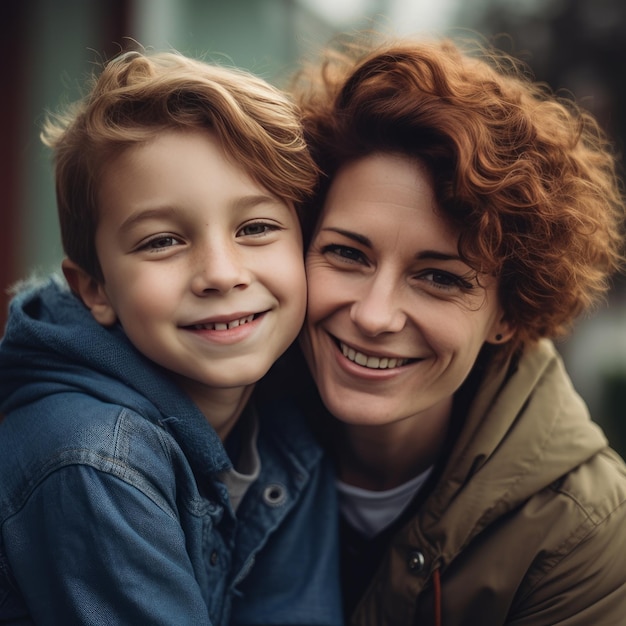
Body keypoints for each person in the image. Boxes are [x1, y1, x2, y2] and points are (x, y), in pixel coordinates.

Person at [288, 35, 626, 625]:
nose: (373, 314)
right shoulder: (213, 416)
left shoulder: (582, 527)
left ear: (508, 316)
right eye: (347, 254)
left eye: (440, 279)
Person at [0, 49, 342, 625]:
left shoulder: (289, 429)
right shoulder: (92, 460)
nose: (220, 273)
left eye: (256, 228)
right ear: (96, 289)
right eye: (162, 241)